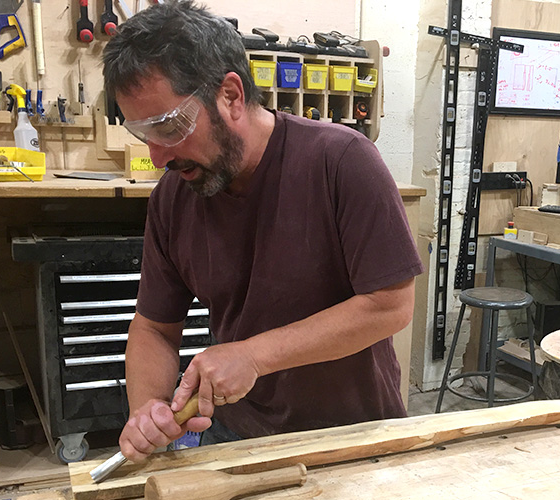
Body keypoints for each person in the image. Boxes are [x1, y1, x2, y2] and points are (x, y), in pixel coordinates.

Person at [102, 1, 423, 462]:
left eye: (169, 126)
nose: (156, 157)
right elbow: (154, 327)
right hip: (235, 437)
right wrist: (147, 411)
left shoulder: (342, 162)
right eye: (142, 134)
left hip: (351, 437)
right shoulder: (173, 198)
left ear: (230, 95)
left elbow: (389, 306)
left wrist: (252, 356)